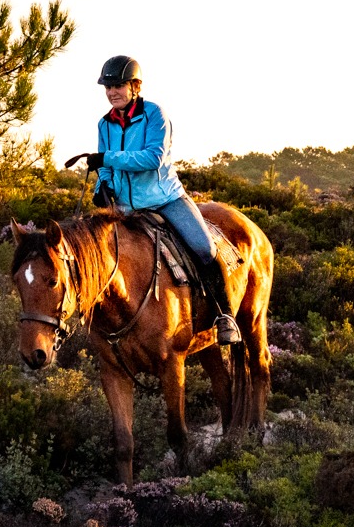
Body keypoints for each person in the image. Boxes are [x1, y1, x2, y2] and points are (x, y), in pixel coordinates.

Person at [69, 56, 241, 344]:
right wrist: (104, 185)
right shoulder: (104, 124)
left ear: (135, 86)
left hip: (165, 200)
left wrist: (107, 158)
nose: (112, 92)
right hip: (125, 208)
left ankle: (226, 317)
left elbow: (153, 158)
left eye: (118, 86)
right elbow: (105, 166)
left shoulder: (155, 115)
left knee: (204, 248)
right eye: (108, 87)